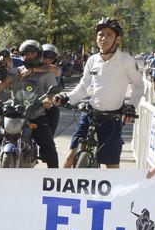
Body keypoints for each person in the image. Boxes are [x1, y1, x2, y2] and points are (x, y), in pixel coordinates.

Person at [56, 18, 143, 169]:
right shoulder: (92, 60)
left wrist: (131, 106)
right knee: (70, 156)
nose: (104, 38)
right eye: (101, 34)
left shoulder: (126, 60)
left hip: (112, 118)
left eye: (109, 35)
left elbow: (139, 85)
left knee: (111, 165)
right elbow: (83, 86)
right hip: (90, 113)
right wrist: (67, 97)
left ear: (118, 39)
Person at [0, 40, 58, 169]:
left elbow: (52, 92)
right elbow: (0, 85)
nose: (28, 56)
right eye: (25, 54)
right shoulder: (15, 72)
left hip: (36, 115)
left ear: (38, 54)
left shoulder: (47, 74)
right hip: (14, 114)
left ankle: (54, 177)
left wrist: (49, 100)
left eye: (31, 53)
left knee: (50, 149)